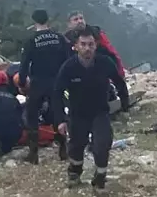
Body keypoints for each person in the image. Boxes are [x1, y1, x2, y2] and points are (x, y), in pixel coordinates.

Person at [52, 26, 129, 193]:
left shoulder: (105, 63)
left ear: (96, 45)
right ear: (76, 46)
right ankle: (74, 172)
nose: (87, 48)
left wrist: (125, 105)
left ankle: (100, 179)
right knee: (77, 147)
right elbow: (57, 93)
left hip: (100, 112)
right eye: (83, 44)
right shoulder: (68, 67)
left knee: (102, 145)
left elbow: (120, 83)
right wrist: (59, 120)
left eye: (91, 44)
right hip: (77, 114)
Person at [19, 9, 71, 164]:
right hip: (56, 82)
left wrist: (22, 83)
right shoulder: (59, 38)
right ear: (48, 20)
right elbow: (68, 61)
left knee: (32, 116)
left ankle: (33, 154)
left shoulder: (31, 40)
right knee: (58, 115)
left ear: (34, 21)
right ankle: (63, 149)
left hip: (37, 83)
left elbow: (24, 64)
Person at [65, 11, 125, 78]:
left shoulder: (96, 33)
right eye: (76, 19)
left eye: (81, 18)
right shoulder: (66, 39)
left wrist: (120, 72)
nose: (80, 21)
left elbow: (112, 52)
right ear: (69, 24)